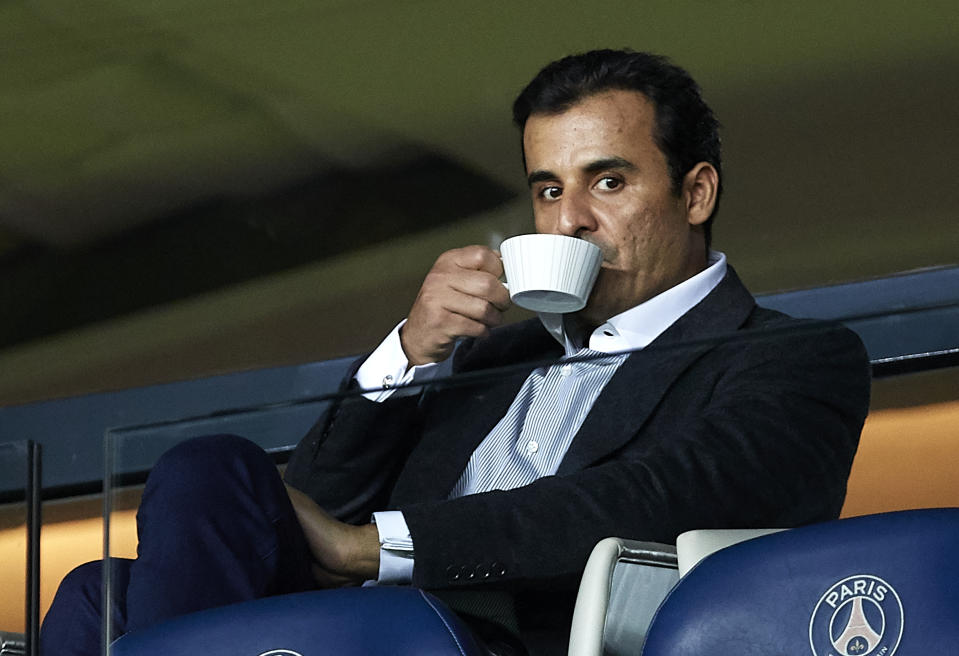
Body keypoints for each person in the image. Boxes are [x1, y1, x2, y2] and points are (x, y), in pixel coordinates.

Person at [41, 49, 871, 656]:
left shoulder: (792, 356)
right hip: (350, 628)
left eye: (606, 182)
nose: (569, 221)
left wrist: (375, 548)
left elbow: (655, 499)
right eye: (548, 189)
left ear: (695, 192)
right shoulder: (479, 359)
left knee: (114, 608)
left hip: (493, 639)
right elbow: (309, 509)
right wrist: (410, 352)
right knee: (184, 495)